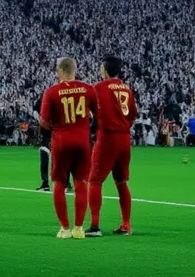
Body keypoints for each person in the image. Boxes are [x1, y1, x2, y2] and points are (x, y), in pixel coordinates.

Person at [40, 57, 97, 239]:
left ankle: (64, 229)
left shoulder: (51, 92)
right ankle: (79, 229)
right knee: (81, 183)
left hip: (61, 141)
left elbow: (43, 121)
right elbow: (99, 115)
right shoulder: (88, 89)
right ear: (75, 70)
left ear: (60, 71)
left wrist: (56, 128)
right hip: (82, 141)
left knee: (59, 183)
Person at [86, 54, 138, 238]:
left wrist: (93, 128)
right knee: (121, 181)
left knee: (95, 180)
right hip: (124, 139)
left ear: (105, 70)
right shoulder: (127, 89)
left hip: (107, 138)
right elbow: (133, 114)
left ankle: (94, 226)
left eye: (101, 68)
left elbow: (93, 112)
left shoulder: (99, 87)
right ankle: (126, 225)